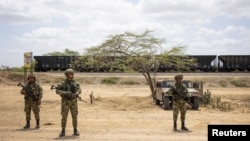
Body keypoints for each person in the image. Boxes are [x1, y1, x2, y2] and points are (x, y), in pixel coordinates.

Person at [55, 68, 81, 137]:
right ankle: (63, 130)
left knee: (74, 116)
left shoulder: (75, 82)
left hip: (74, 102)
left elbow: (79, 90)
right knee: (64, 116)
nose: (71, 75)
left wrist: (76, 93)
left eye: (72, 74)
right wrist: (65, 93)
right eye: (70, 74)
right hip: (65, 102)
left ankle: (75, 129)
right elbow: (57, 91)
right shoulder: (62, 83)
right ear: (66, 75)